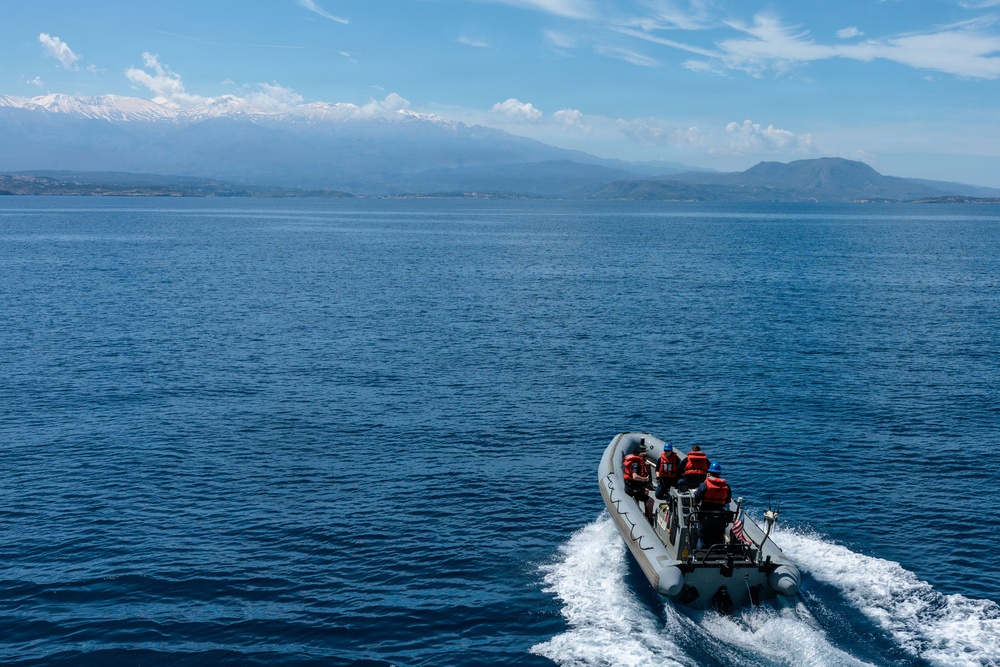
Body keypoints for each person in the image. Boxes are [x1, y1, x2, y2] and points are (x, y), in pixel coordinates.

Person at [693, 462, 732, 549]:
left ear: (709, 473)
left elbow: (696, 499)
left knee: (703, 536)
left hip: (705, 515)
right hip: (720, 517)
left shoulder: (704, 485)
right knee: (718, 536)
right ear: (719, 473)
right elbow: (727, 501)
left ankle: (701, 553)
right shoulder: (726, 487)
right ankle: (718, 553)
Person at [623, 445, 654, 522]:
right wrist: (645, 479)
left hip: (633, 486)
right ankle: (650, 519)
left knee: (646, 491)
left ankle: (646, 512)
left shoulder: (636, 462)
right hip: (633, 490)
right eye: (645, 455)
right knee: (651, 501)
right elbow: (635, 477)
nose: (647, 457)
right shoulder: (636, 464)